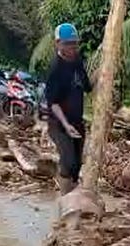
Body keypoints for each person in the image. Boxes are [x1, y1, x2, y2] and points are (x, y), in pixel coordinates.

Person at [45, 23, 91, 193]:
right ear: (58, 44)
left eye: (74, 43)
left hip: (77, 121)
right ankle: (65, 200)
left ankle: (74, 196)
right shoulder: (55, 69)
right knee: (68, 161)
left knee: (77, 164)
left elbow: (87, 86)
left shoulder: (78, 61)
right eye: (67, 44)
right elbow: (53, 103)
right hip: (59, 124)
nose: (72, 48)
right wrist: (66, 125)